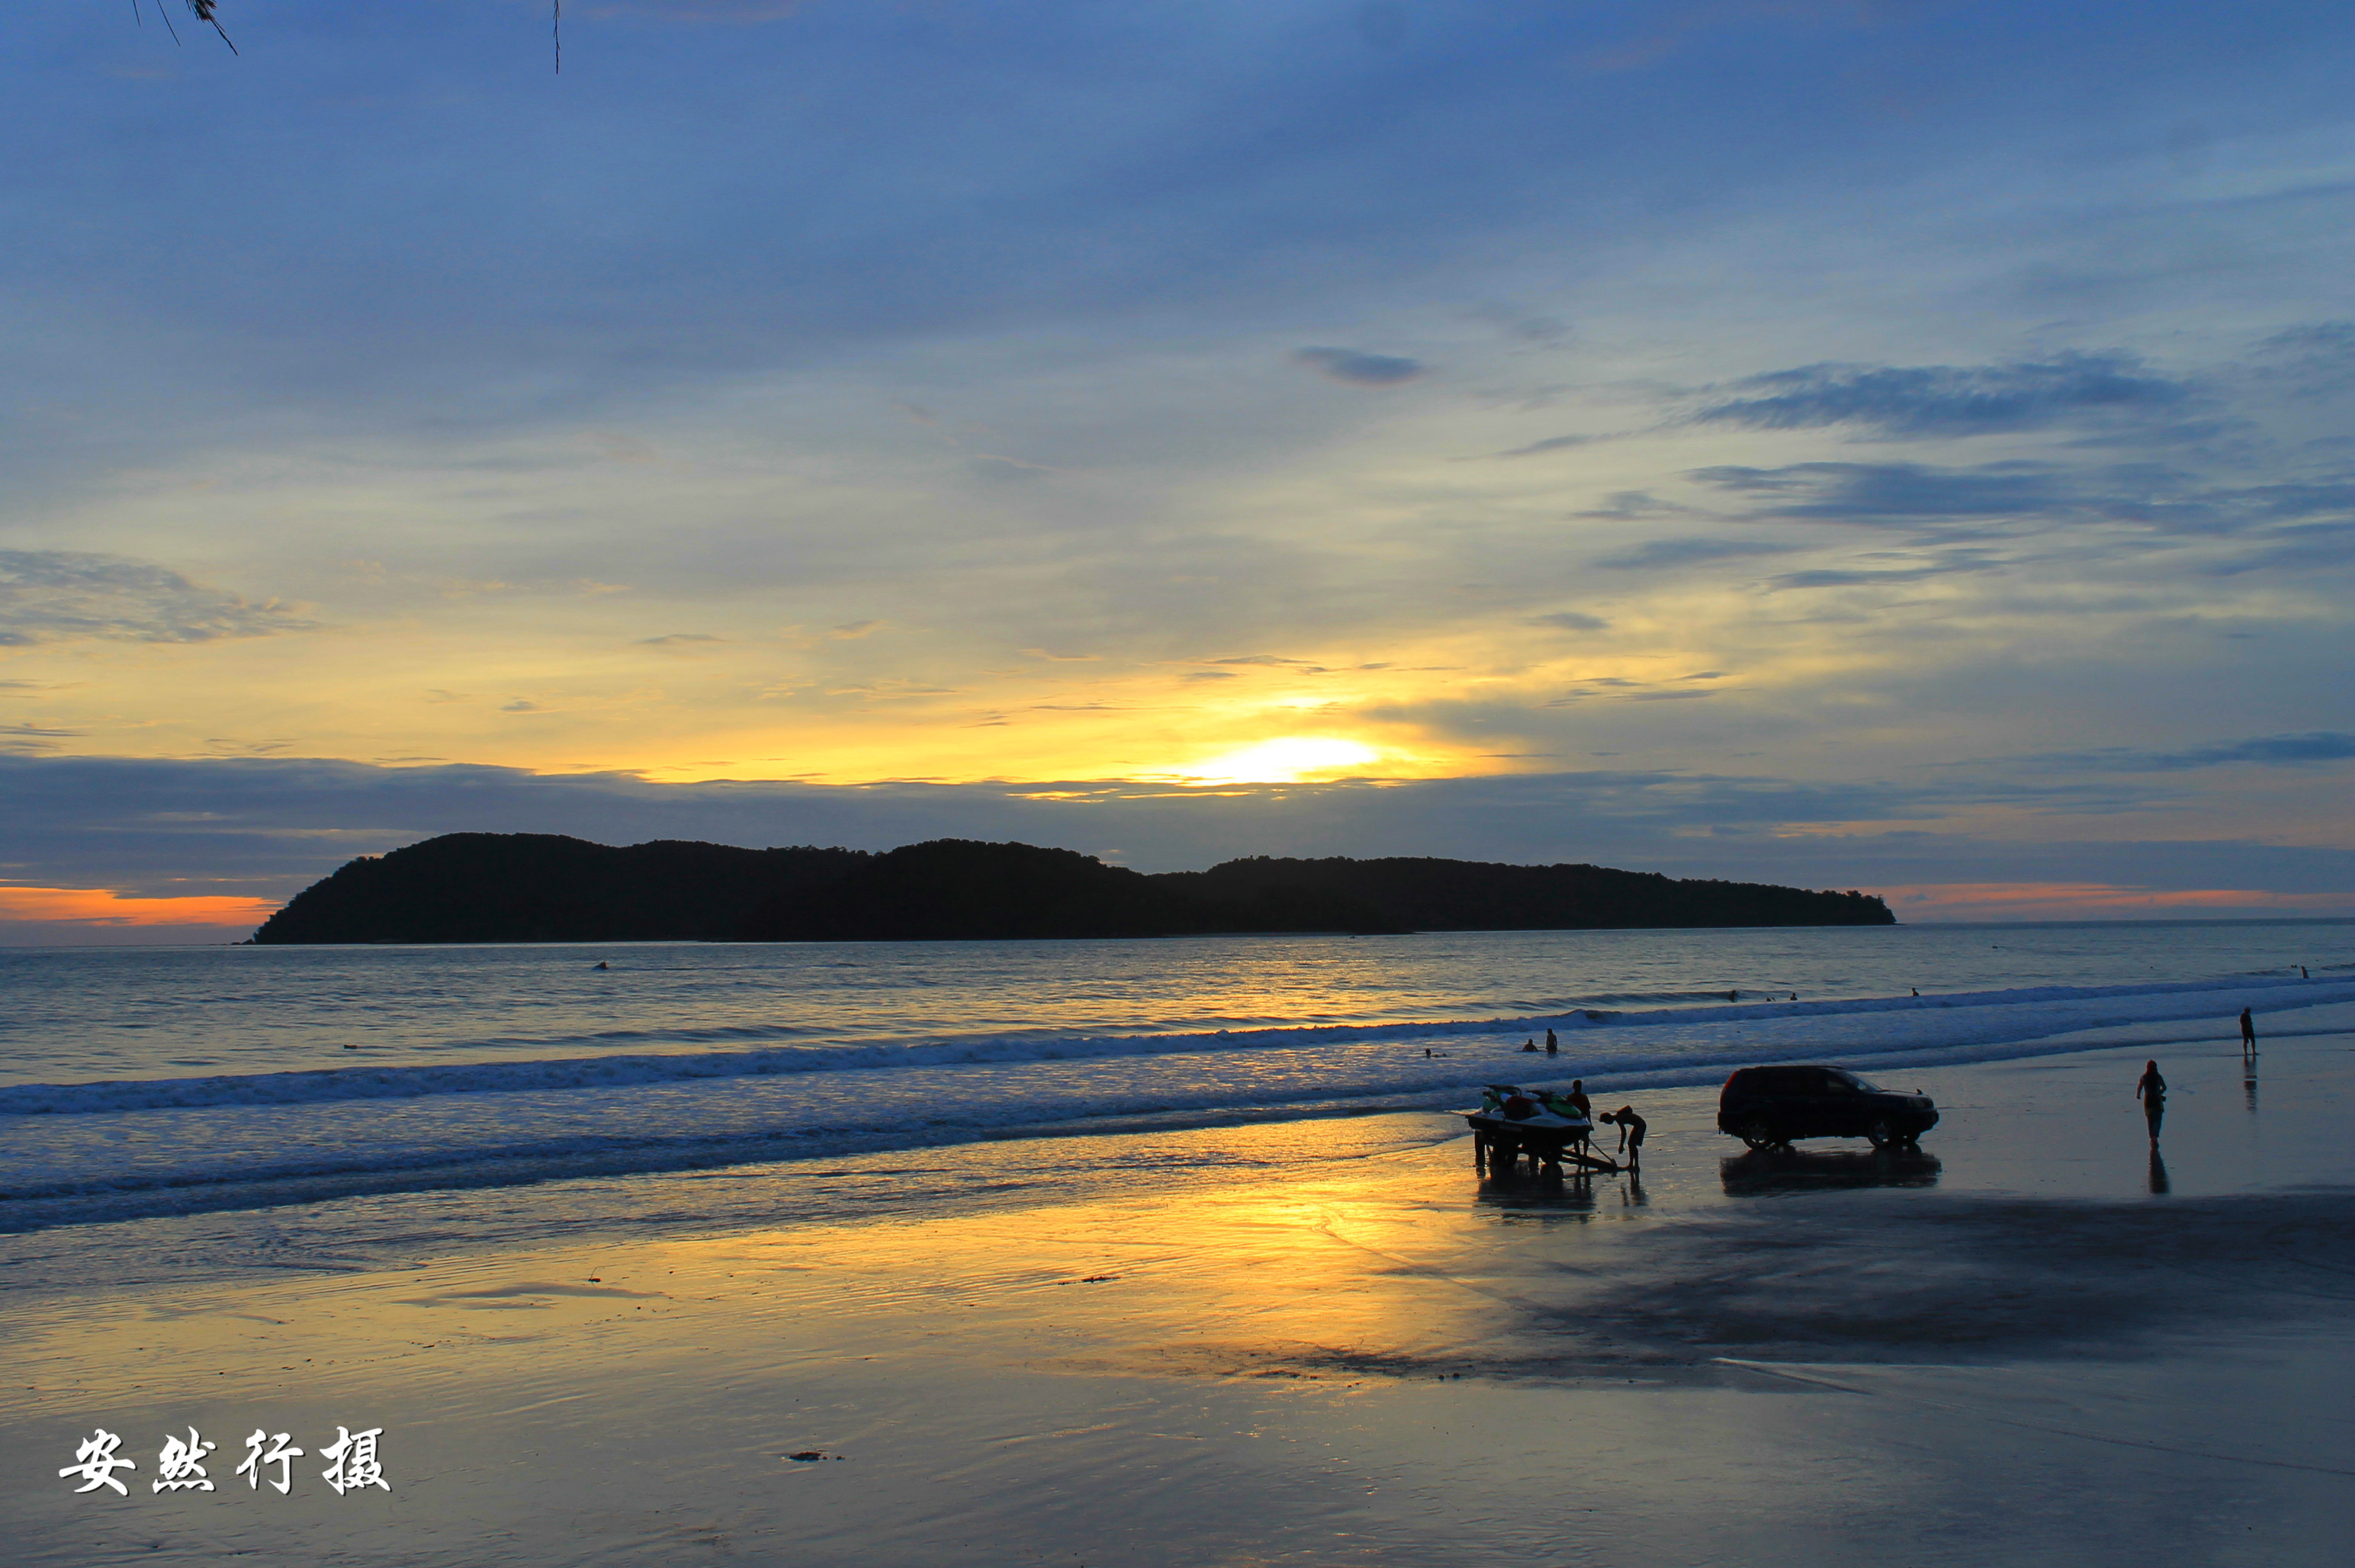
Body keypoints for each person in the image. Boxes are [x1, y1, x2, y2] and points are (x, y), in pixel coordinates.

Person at [1599, 1104, 1647, 1170]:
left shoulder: (1619, 1118)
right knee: (1631, 1144)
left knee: (1632, 1144)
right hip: (1638, 1125)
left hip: (1640, 1125)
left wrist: (1621, 1145)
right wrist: (1621, 1145)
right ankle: (1632, 1164)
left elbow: (1624, 1133)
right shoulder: (1618, 1117)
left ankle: (1635, 1165)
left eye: (1606, 1122)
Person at [2136, 1060, 2167, 1143]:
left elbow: (2139, 1087)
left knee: (2150, 1119)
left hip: (2148, 1101)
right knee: (2158, 1119)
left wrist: (2138, 1095)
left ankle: (2152, 1137)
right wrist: (2159, 1092)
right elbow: (2164, 1087)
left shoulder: (2143, 1077)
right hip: (2157, 1100)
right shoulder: (2158, 1077)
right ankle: (2155, 1136)